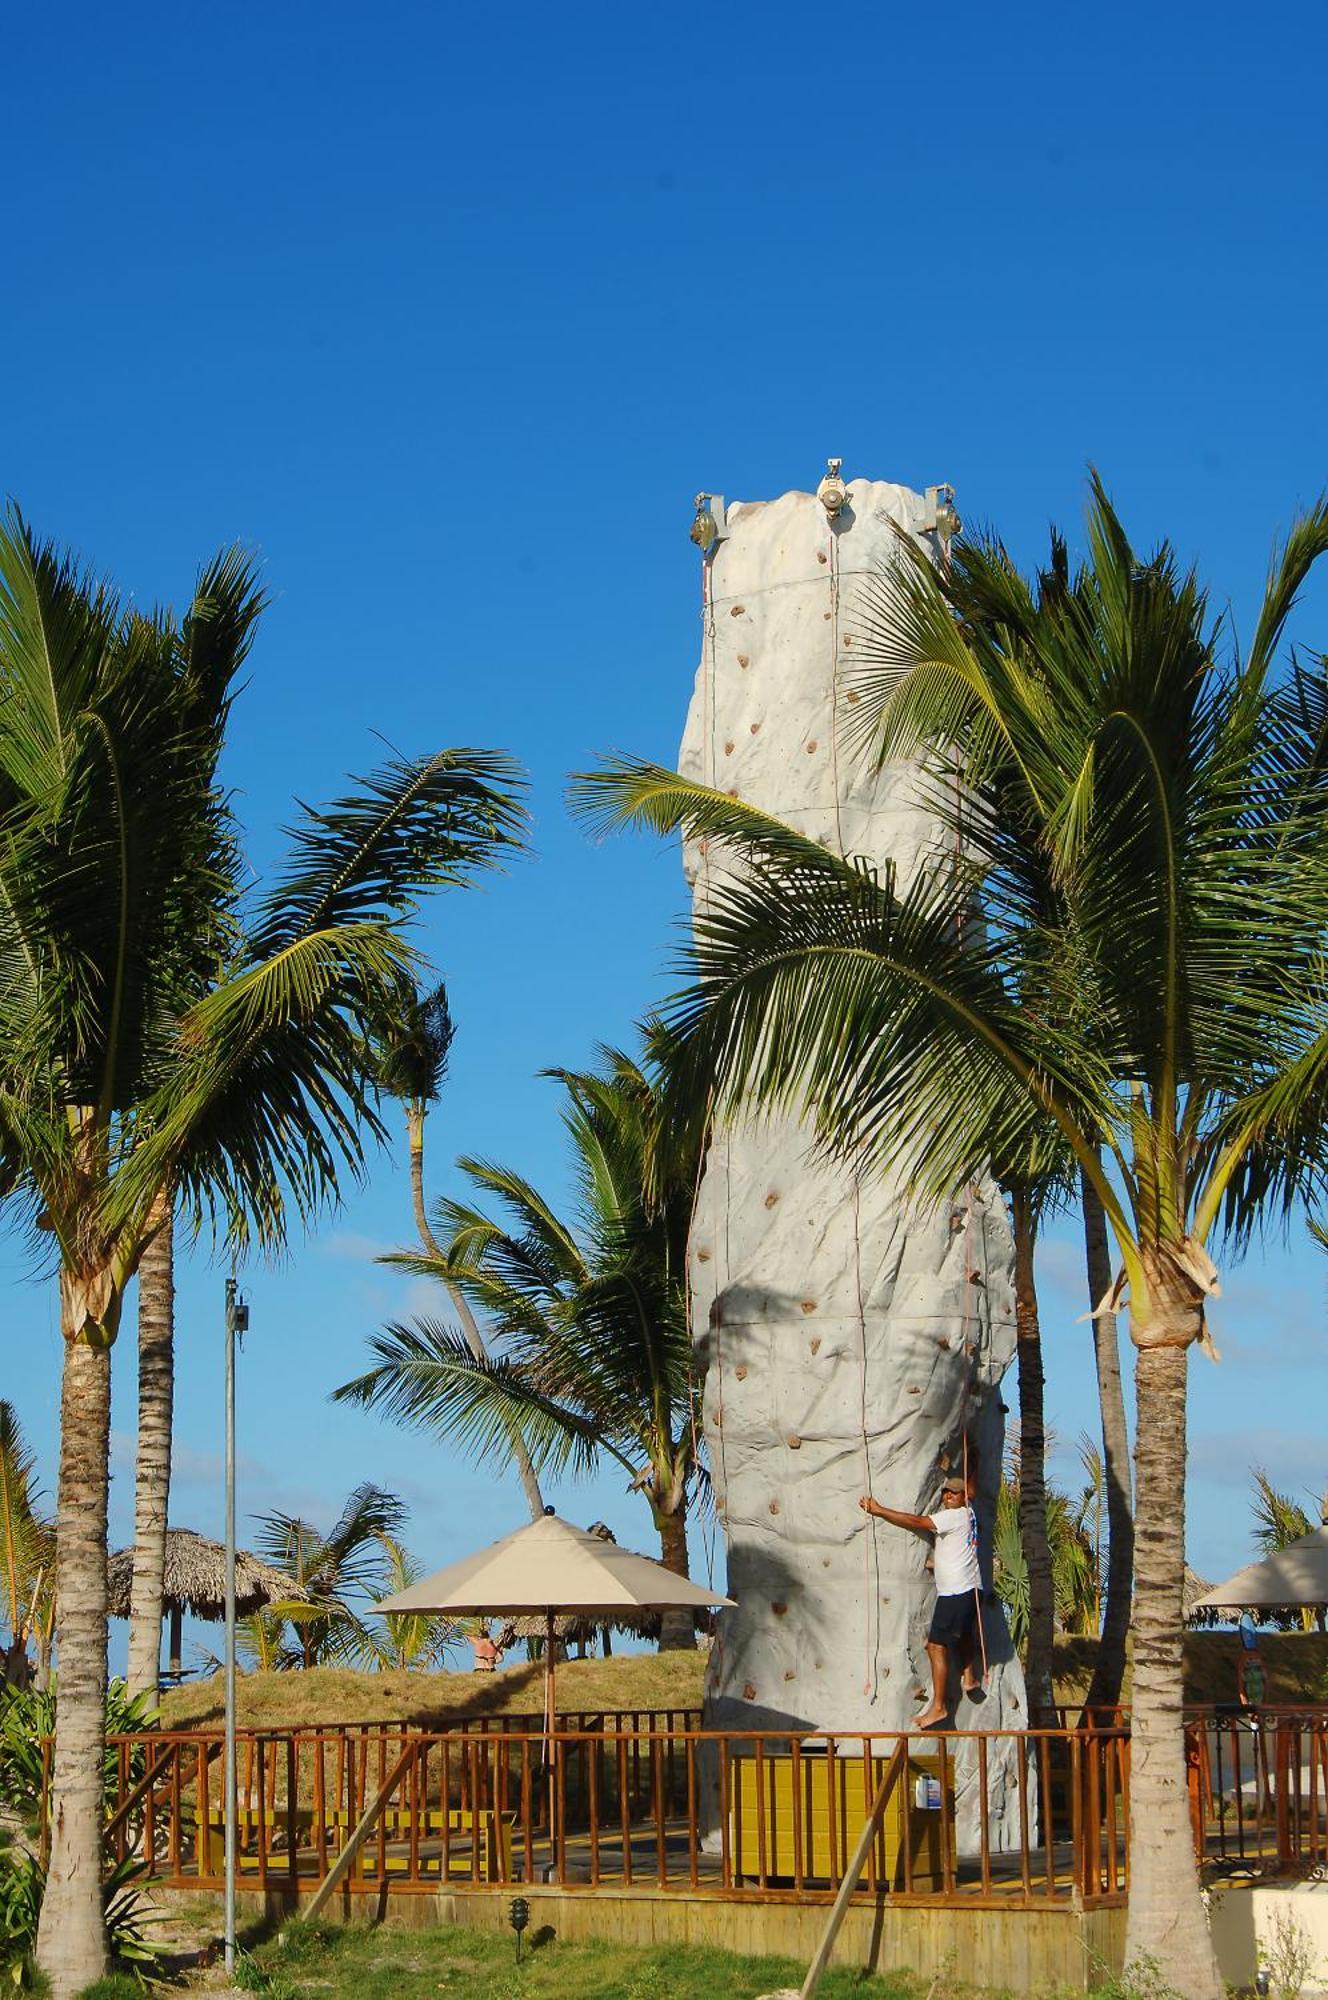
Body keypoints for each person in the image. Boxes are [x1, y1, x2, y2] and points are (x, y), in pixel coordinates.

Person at [860, 1473, 984, 1729]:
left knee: (935, 1646)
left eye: (954, 1493)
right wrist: (974, 1455)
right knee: (963, 1633)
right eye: (946, 1492)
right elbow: (972, 1489)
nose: (948, 1496)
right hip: (973, 1589)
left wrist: (879, 1510)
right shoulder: (970, 1514)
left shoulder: (951, 1517)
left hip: (956, 1592)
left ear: (962, 1498)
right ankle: (970, 1676)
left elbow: (916, 1521)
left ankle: (938, 1707)